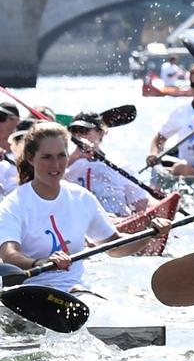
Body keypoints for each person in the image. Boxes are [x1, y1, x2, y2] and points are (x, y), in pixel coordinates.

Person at [0, 122, 171, 292]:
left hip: (76, 290)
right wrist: (39, 263)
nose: (56, 164)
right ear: (31, 158)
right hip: (29, 290)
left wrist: (149, 234)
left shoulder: (81, 198)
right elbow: (9, 255)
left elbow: (115, 247)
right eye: (47, 157)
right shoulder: (14, 204)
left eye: (61, 156)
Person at [65, 112, 149, 217]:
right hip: (81, 221)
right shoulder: (66, 164)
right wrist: (74, 158)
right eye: (74, 132)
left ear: (101, 132)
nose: (79, 136)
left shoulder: (120, 165)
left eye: (84, 131)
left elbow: (140, 202)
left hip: (116, 219)